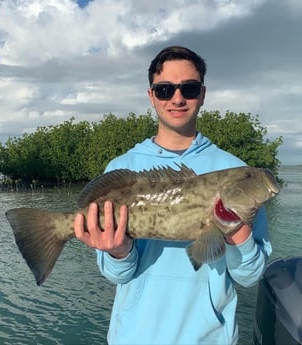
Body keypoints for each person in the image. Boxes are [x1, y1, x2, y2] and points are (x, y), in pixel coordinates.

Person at [74, 45, 271, 345]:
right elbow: (117, 275)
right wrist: (119, 251)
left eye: (189, 88)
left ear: (202, 94)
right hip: (132, 337)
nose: (177, 98)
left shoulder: (236, 171)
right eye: (165, 89)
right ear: (151, 96)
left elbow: (248, 277)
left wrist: (237, 231)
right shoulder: (122, 167)